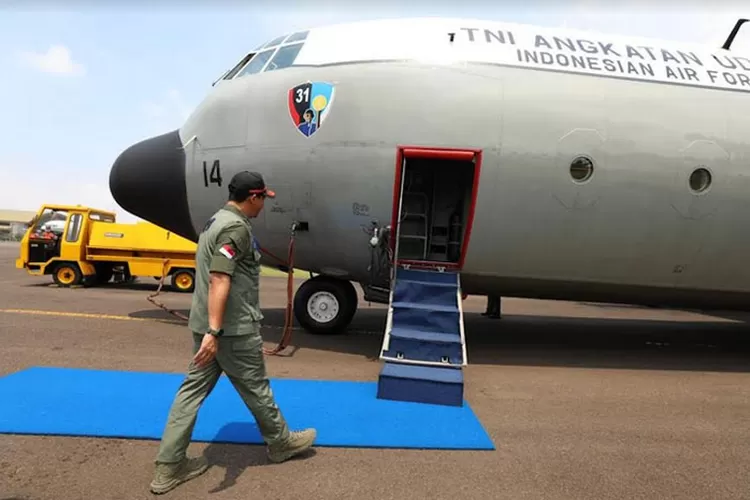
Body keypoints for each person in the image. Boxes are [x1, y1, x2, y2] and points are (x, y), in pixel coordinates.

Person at [149, 171, 316, 495]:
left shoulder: (215, 221)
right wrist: (215, 331)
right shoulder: (235, 227)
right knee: (256, 388)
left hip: (207, 327)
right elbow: (219, 279)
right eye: (262, 199)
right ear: (252, 197)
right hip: (230, 331)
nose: (263, 206)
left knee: (190, 393)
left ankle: (168, 468)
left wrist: (208, 331)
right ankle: (281, 443)